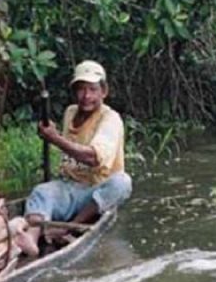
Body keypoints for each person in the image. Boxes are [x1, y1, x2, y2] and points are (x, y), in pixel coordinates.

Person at [14, 60, 132, 256]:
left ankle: (71, 227)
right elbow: (68, 145)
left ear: (104, 91)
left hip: (97, 191)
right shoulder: (70, 112)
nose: (86, 96)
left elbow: (93, 158)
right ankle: (32, 238)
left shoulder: (110, 119)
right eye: (81, 90)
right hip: (69, 187)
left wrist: (55, 139)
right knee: (42, 192)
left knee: (122, 182)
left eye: (93, 90)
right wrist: (51, 133)